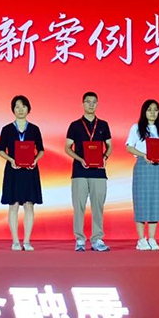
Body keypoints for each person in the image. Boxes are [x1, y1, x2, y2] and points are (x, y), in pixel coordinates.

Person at [65, 91, 113, 252]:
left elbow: (109, 146)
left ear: (97, 104)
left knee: (98, 206)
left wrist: (105, 157)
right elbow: (67, 147)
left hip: (99, 172)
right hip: (80, 171)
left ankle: (97, 239)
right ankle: (79, 239)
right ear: (83, 104)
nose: (91, 105)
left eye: (94, 102)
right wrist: (80, 159)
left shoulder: (103, 125)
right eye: (88, 102)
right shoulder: (75, 125)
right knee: (78, 206)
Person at [0, 95, 44, 252]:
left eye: (23, 106)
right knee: (13, 205)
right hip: (13, 171)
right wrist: (11, 160)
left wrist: (35, 160)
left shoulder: (35, 129)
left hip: (30, 171)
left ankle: (27, 241)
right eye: (17, 107)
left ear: (28, 109)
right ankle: (15, 241)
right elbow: (0, 150)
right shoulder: (7, 129)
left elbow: (41, 150)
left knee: (29, 205)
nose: (20, 109)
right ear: (13, 110)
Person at [125, 99, 159, 251]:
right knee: (141, 202)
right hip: (142, 166)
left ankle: (152, 238)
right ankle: (141, 239)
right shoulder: (136, 128)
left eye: (155, 109)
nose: (152, 112)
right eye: (149, 109)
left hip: (157, 168)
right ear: (144, 111)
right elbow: (129, 147)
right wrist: (143, 155)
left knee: (155, 202)